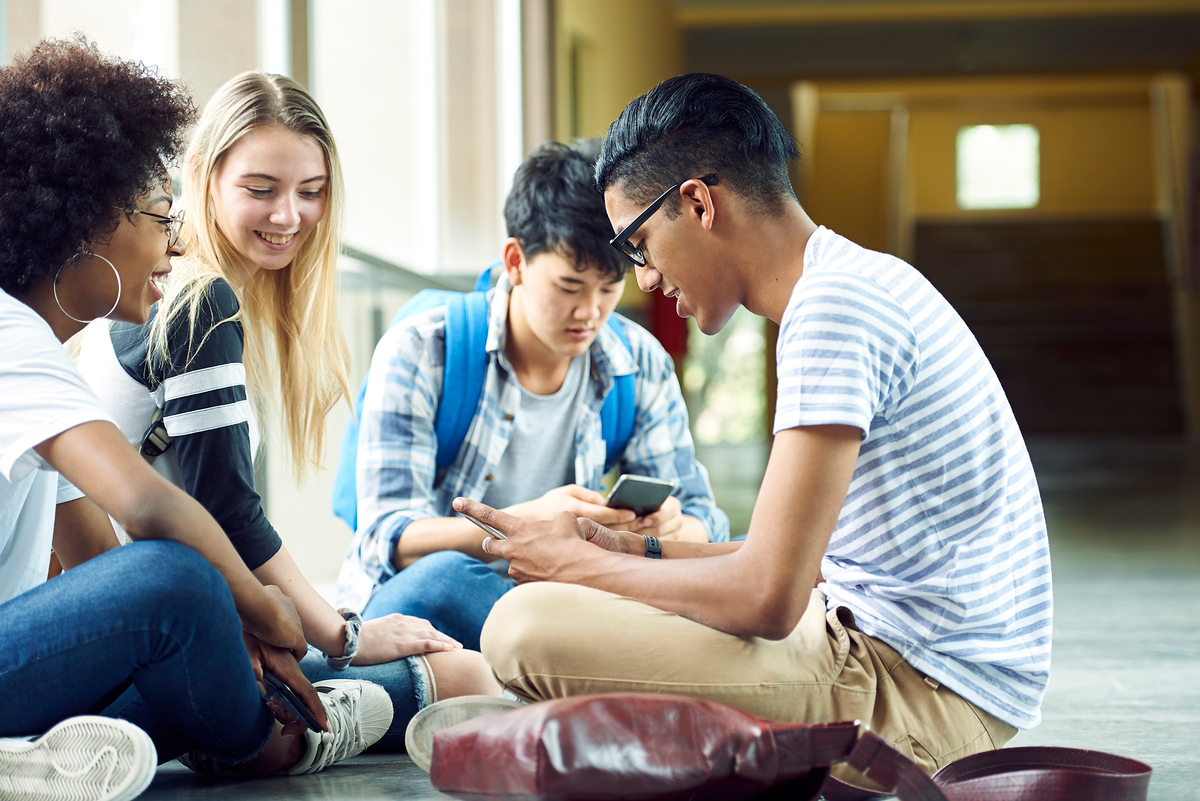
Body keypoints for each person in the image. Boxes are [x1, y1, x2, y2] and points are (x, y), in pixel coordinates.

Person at [451, 74, 1054, 782]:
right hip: (906, 653)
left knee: (522, 628)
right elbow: (799, 562)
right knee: (570, 598)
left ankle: (545, 738)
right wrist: (628, 548)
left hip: (926, 694)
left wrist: (574, 563)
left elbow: (768, 596)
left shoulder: (832, 311)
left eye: (639, 244)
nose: (644, 279)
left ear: (698, 203)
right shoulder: (854, 280)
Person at [0, 38, 389, 798]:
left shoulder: (43, 354)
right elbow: (149, 509)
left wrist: (232, 637)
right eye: (156, 216)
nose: (174, 243)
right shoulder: (10, 335)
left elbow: (95, 565)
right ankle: (265, 747)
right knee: (177, 576)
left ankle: (35, 755)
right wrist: (269, 612)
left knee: (190, 636)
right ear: (88, 222)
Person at [76, 71, 502, 757]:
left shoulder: (191, 289)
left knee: (441, 585)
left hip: (176, 625)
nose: (288, 215)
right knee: (463, 669)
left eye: (311, 192)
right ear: (204, 176)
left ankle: (277, 736)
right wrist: (346, 635)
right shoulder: (197, 302)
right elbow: (225, 512)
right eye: (261, 189)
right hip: (138, 650)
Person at [335, 141, 729, 650]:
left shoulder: (638, 362)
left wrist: (667, 533)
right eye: (569, 285)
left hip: (559, 604)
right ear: (516, 261)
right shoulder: (424, 349)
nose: (590, 310)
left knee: (722, 573)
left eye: (608, 288)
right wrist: (525, 525)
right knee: (447, 579)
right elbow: (387, 538)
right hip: (421, 612)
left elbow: (704, 519)